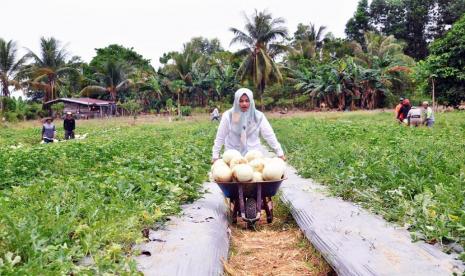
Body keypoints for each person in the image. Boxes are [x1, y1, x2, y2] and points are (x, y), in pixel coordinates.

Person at [212, 88, 286, 162]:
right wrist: (215, 156)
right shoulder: (229, 116)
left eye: (247, 101)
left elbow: (269, 135)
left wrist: (280, 153)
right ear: (236, 101)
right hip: (233, 157)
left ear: (251, 101)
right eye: (241, 101)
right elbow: (220, 136)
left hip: (253, 156)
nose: (244, 103)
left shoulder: (258, 116)